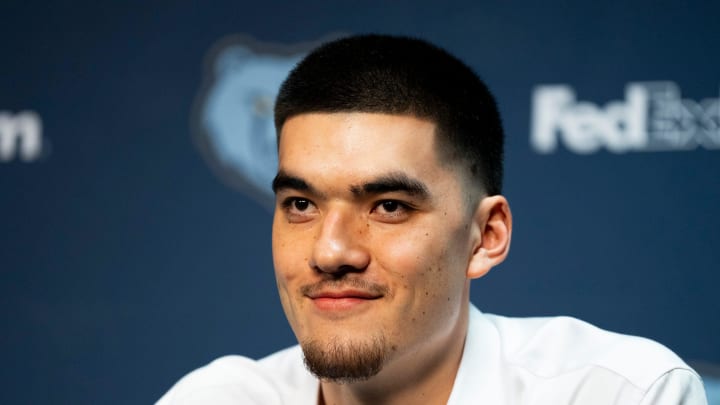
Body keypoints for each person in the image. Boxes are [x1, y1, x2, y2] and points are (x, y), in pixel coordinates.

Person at [157, 34, 707, 404]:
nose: (330, 251)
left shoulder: (614, 394)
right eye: (301, 204)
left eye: (389, 206)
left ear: (485, 236)